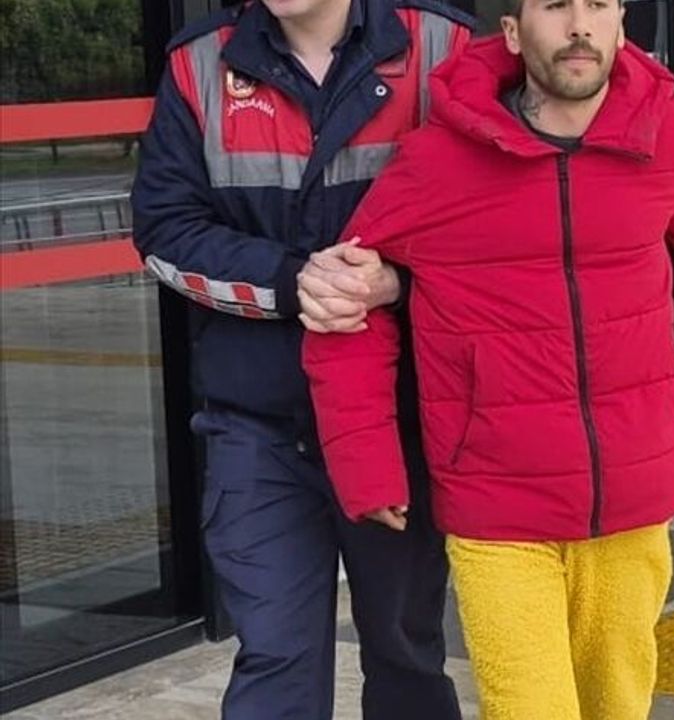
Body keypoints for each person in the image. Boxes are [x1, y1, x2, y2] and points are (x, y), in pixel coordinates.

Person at [300, 0, 674, 717]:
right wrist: (367, 465)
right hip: (497, 504)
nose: (579, 24)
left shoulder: (666, 133)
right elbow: (345, 307)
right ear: (514, 34)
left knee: (618, 703)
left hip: (633, 495)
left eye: (598, 5)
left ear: (620, 26)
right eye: (555, 6)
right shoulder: (438, 161)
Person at [129, 0, 471, 717]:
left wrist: (399, 282)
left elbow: (500, 214)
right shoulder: (199, 63)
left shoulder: (443, 44)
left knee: (406, 653)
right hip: (258, 429)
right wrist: (293, 282)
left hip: (399, 423)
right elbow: (165, 230)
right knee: (275, 657)